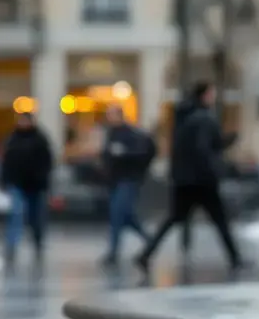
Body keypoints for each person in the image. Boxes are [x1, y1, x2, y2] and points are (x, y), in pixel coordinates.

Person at [135, 82, 244, 272]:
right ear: (204, 95)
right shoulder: (204, 118)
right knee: (219, 219)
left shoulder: (182, 118)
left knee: (173, 218)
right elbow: (206, 148)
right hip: (202, 181)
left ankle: (146, 253)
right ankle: (235, 258)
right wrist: (215, 167)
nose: (213, 98)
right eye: (212, 94)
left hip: (184, 179)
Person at [99, 105, 155, 266]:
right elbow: (107, 156)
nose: (110, 118)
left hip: (128, 180)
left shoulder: (131, 134)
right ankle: (150, 240)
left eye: (112, 114)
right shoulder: (111, 134)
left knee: (117, 214)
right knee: (127, 216)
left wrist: (123, 154)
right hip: (114, 180)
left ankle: (113, 252)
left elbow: (141, 154)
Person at [0, 112, 54, 263]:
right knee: (16, 215)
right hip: (17, 184)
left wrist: (45, 183)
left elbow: (47, 163)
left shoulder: (40, 140)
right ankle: (12, 246)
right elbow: (6, 162)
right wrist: (5, 181)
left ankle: (37, 243)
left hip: (35, 186)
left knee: (35, 217)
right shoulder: (12, 139)